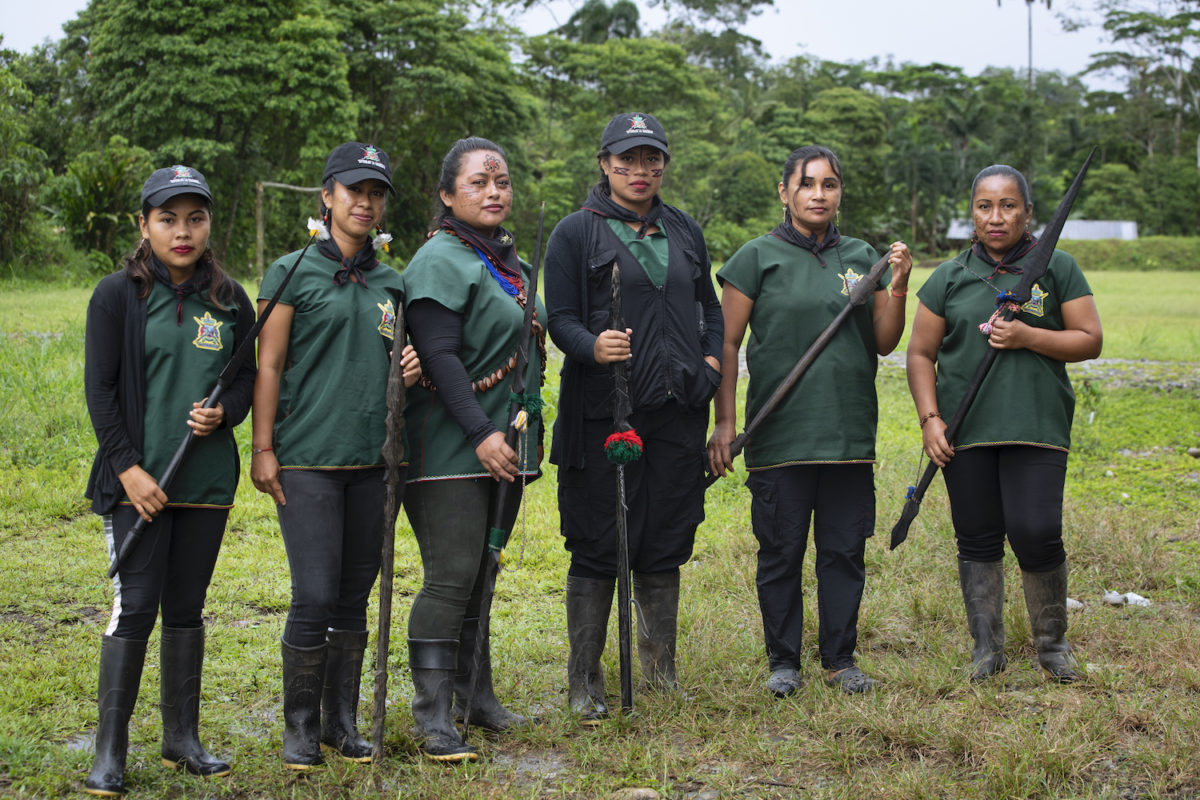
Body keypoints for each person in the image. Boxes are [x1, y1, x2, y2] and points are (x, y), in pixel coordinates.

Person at [707, 145, 912, 697]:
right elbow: (726, 344)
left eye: (829, 184)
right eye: (807, 184)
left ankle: (840, 660)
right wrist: (724, 424)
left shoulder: (861, 255)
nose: (818, 194)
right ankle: (784, 662)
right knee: (781, 551)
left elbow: (885, 341)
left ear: (840, 192)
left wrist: (897, 285)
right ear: (785, 193)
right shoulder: (755, 258)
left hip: (847, 438)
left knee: (843, 551)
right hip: (780, 438)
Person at [545, 112, 724, 721]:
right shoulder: (576, 233)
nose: (640, 171)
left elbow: (711, 308)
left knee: (665, 537)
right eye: (627, 160)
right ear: (604, 163)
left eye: (652, 160)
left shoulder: (684, 230)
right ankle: (584, 680)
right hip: (605, 415)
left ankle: (660, 670)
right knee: (598, 541)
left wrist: (708, 363)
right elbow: (559, 316)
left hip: (677, 412)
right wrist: (592, 346)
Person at [83, 165, 254, 795]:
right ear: (144, 224)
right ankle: (110, 750)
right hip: (140, 487)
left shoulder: (230, 298)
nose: (182, 232)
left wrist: (224, 412)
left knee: (186, 610)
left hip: (206, 484)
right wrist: (128, 470)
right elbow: (100, 391)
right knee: (135, 610)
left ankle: (181, 738)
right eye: (168, 219)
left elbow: (244, 378)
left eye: (195, 218)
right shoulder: (117, 295)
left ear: (209, 224)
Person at [251, 142, 419, 769]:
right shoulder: (290, 272)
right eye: (354, 191)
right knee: (314, 594)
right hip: (307, 459)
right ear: (327, 196)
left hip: (375, 463)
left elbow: (397, 367)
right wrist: (263, 447)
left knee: (355, 596)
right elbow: (268, 365)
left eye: (376, 193)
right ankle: (298, 726)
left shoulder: (393, 282)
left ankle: (339, 723)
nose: (366, 203)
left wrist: (410, 367)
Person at [906, 164, 1102, 683]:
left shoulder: (1056, 267)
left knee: (1037, 532)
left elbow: (1089, 340)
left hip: (1036, 426)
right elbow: (921, 354)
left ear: (1027, 212)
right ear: (972, 213)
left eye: (1009, 205)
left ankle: (1052, 645)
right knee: (976, 535)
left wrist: (1028, 337)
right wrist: (930, 420)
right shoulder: (949, 276)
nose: (997, 217)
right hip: (965, 429)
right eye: (985, 206)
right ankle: (986, 648)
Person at [400, 137, 544, 762]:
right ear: (446, 195)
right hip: (451, 449)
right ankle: (433, 716)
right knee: (451, 576)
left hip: (503, 446)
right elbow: (438, 356)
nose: (494, 192)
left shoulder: (507, 262)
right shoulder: (440, 259)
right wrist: (481, 434)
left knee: (483, 573)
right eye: (479, 183)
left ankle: (474, 695)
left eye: (502, 182)